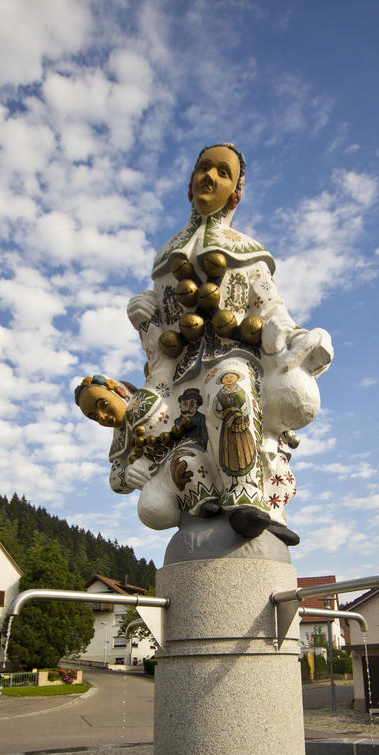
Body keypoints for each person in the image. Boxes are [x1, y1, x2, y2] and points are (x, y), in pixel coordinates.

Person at [80, 143, 333, 544]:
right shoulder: (167, 260)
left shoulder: (246, 253)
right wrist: (143, 322)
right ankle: (201, 500)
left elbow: (272, 311)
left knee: (230, 388)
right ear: (190, 183)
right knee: (173, 452)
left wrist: (297, 337)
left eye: (222, 172)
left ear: (235, 192)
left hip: (232, 358)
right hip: (177, 379)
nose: (209, 177)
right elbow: (161, 339)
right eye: (203, 168)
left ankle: (246, 499)